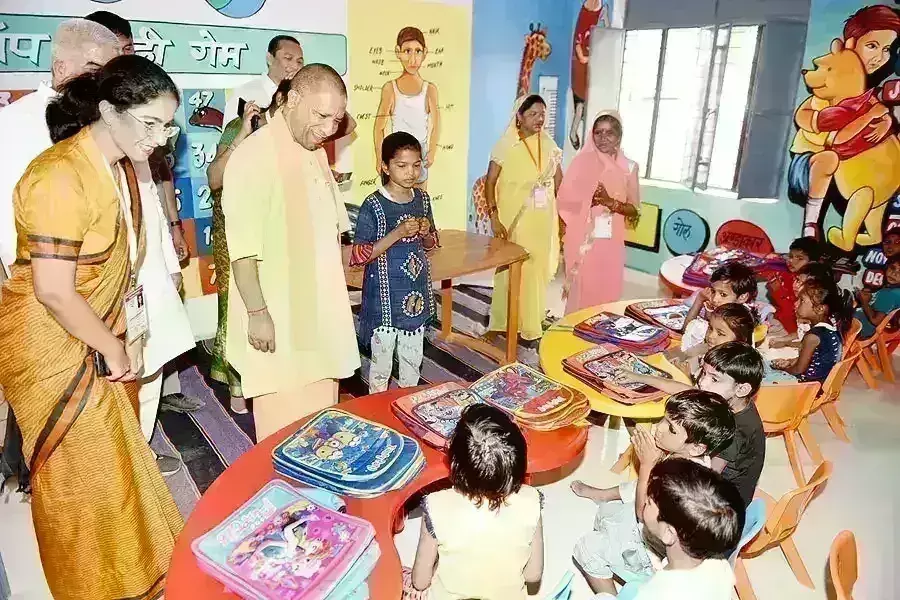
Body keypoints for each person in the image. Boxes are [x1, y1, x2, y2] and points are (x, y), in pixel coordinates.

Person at [0, 54, 183, 599]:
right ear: (107, 110)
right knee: (78, 478)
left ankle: (133, 575)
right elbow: (54, 290)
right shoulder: (58, 175)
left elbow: (120, 267)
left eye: (167, 125)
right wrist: (112, 346)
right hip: (48, 343)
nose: (160, 138)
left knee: (115, 463)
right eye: (149, 123)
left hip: (96, 331)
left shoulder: (121, 167)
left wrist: (125, 334)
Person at [0, 19, 120, 489]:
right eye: (93, 67)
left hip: (97, 288)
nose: (101, 81)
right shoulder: (15, 125)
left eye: (109, 72)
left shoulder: (107, 125)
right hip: (34, 291)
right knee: (41, 401)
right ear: (60, 66)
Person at [222, 64, 359, 441]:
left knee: (323, 421)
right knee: (282, 430)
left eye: (336, 119)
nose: (329, 128)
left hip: (319, 312)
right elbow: (242, 252)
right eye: (321, 115)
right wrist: (257, 314)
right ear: (293, 99)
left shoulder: (314, 150)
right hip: (277, 314)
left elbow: (332, 229)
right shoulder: (253, 156)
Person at [570, 390, 735, 594]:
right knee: (606, 513)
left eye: (671, 428)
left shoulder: (681, 483)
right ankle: (603, 496)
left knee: (587, 548)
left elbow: (642, 514)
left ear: (696, 448)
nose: (659, 427)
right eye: (664, 419)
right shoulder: (692, 463)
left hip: (652, 554)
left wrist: (647, 465)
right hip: (657, 529)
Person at [207, 80, 291, 413]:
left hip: (276, 234)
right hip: (235, 232)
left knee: (276, 306)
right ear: (283, 99)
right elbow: (215, 179)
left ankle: (273, 384)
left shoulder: (295, 137)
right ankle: (238, 388)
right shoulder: (240, 126)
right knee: (239, 307)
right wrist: (244, 133)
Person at [407, 404, 544, 599]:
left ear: (454, 464)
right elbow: (532, 575)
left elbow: (420, 581)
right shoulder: (531, 499)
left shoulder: (435, 505)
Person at [789, 5, 900, 239]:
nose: (879, 57)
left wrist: (885, 124)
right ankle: (811, 225)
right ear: (850, 44)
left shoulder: (867, 94)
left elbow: (880, 114)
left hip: (855, 177)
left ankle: (865, 234)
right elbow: (820, 126)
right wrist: (819, 120)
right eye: (872, 46)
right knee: (829, 159)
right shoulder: (829, 88)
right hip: (810, 166)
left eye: (887, 49)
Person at [350, 132, 439, 394]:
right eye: (402, 165)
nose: (411, 172)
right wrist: (397, 233)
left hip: (415, 296)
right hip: (385, 300)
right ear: (385, 167)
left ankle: (408, 401)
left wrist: (425, 233)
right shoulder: (374, 204)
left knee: (412, 359)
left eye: (416, 165)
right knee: (382, 363)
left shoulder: (422, 199)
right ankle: (377, 405)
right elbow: (360, 256)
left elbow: (431, 244)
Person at [630, 342, 767, 507]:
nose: (702, 382)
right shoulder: (725, 397)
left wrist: (649, 464)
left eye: (714, 378)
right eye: (703, 372)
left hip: (717, 503)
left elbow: (704, 479)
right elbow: (685, 389)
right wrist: (640, 378)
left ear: (742, 389)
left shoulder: (736, 431)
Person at [593, 459, 744, 600]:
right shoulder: (719, 564)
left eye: (649, 502)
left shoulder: (655, 593)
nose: (645, 500)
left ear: (669, 533)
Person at [483, 95, 563, 342]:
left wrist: (561, 218)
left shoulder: (549, 144)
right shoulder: (506, 145)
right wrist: (494, 216)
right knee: (509, 268)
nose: (539, 119)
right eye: (533, 114)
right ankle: (501, 323)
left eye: (542, 114)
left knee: (535, 269)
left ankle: (530, 323)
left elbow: (559, 181)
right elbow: (490, 182)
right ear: (519, 117)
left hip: (541, 219)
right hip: (514, 219)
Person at [558, 110, 640, 312]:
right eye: (598, 132)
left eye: (609, 133)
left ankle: (601, 327)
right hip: (582, 239)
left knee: (606, 289)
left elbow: (634, 210)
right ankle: (575, 327)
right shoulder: (581, 163)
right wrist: (587, 201)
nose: (603, 138)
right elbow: (564, 201)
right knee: (582, 288)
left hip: (611, 241)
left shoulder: (629, 168)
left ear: (618, 137)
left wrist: (610, 202)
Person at [374, 27, 441, 188]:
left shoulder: (429, 89)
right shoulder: (390, 88)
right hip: (397, 154)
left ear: (425, 53)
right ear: (398, 52)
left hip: (420, 154)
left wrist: (431, 152)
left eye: (418, 51)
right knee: (397, 198)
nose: (413, 58)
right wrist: (379, 158)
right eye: (407, 51)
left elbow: (437, 124)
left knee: (420, 199)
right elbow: (378, 128)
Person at [682, 262, 776, 351]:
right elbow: (687, 331)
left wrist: (700, 304)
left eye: (723, 294)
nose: (714, 299)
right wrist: (700, 299)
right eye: (713, 291)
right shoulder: (718, 307)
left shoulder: (738, 319)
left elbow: (687, 330)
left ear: (742, 297)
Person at [772, 280, 852, 382]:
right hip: (822, 381)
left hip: (810, 386)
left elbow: (798, 370)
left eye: (802, 301)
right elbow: (815, 358)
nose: (796, 304)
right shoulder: (830, 327)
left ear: (819, 309)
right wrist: (790, 362)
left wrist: (783, 370)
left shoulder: (812, 337)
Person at [223, 35, 304, 124]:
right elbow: (231, 131)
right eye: (288, 58)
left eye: (299, 62)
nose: (295, 66)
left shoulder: (304, 96)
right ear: (270, 59)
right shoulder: (244, 94)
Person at [568, 0, 608, 149]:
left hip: (590, 63)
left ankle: (578, 134)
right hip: (583, 64)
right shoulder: (585, 16)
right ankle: (573, 133)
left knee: (585, 103)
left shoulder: (600, 10)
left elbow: (608, 33)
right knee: (580, 103)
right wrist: (588, 57)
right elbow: (579, 48)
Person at [765, 236, 822, 336]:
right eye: (790, 256)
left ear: (812, 262)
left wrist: (778, 291)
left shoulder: (811, 284)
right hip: (781, 320)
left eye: (800, 258)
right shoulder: (790, 274)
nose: (791, 261)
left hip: (795, 329)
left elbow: (792, 312)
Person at [856, 255, 900, 337]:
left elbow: (875, 321)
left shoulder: (890, 293)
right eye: (892, 268)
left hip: (863, 331)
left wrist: (864, 302)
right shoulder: (895, 291)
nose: (894, 274)